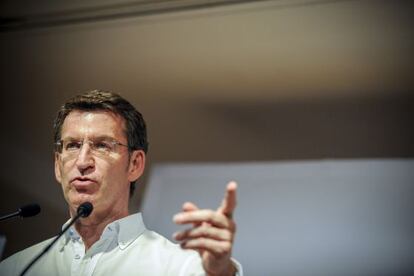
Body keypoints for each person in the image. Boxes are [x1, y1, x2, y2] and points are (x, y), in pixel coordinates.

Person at [0, 90, 241, 276]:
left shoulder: (180, 267)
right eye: (72, 145)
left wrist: (219, 272)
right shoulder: (15, 268)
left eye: (102, 145)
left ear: (135, 164)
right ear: (57, 165)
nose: (83, 161)